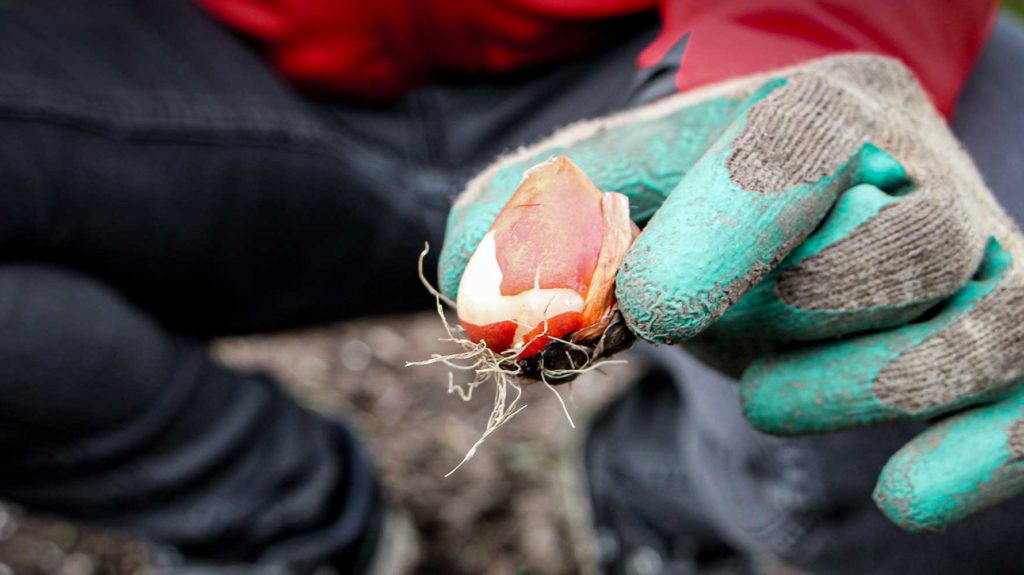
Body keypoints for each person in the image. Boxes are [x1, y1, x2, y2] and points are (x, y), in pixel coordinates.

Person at [0, 1, 1021, 574]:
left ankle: (665, 493)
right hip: (190, 70)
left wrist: (798, 52)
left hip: (645, 49)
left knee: (977, 270)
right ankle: (271, 511)